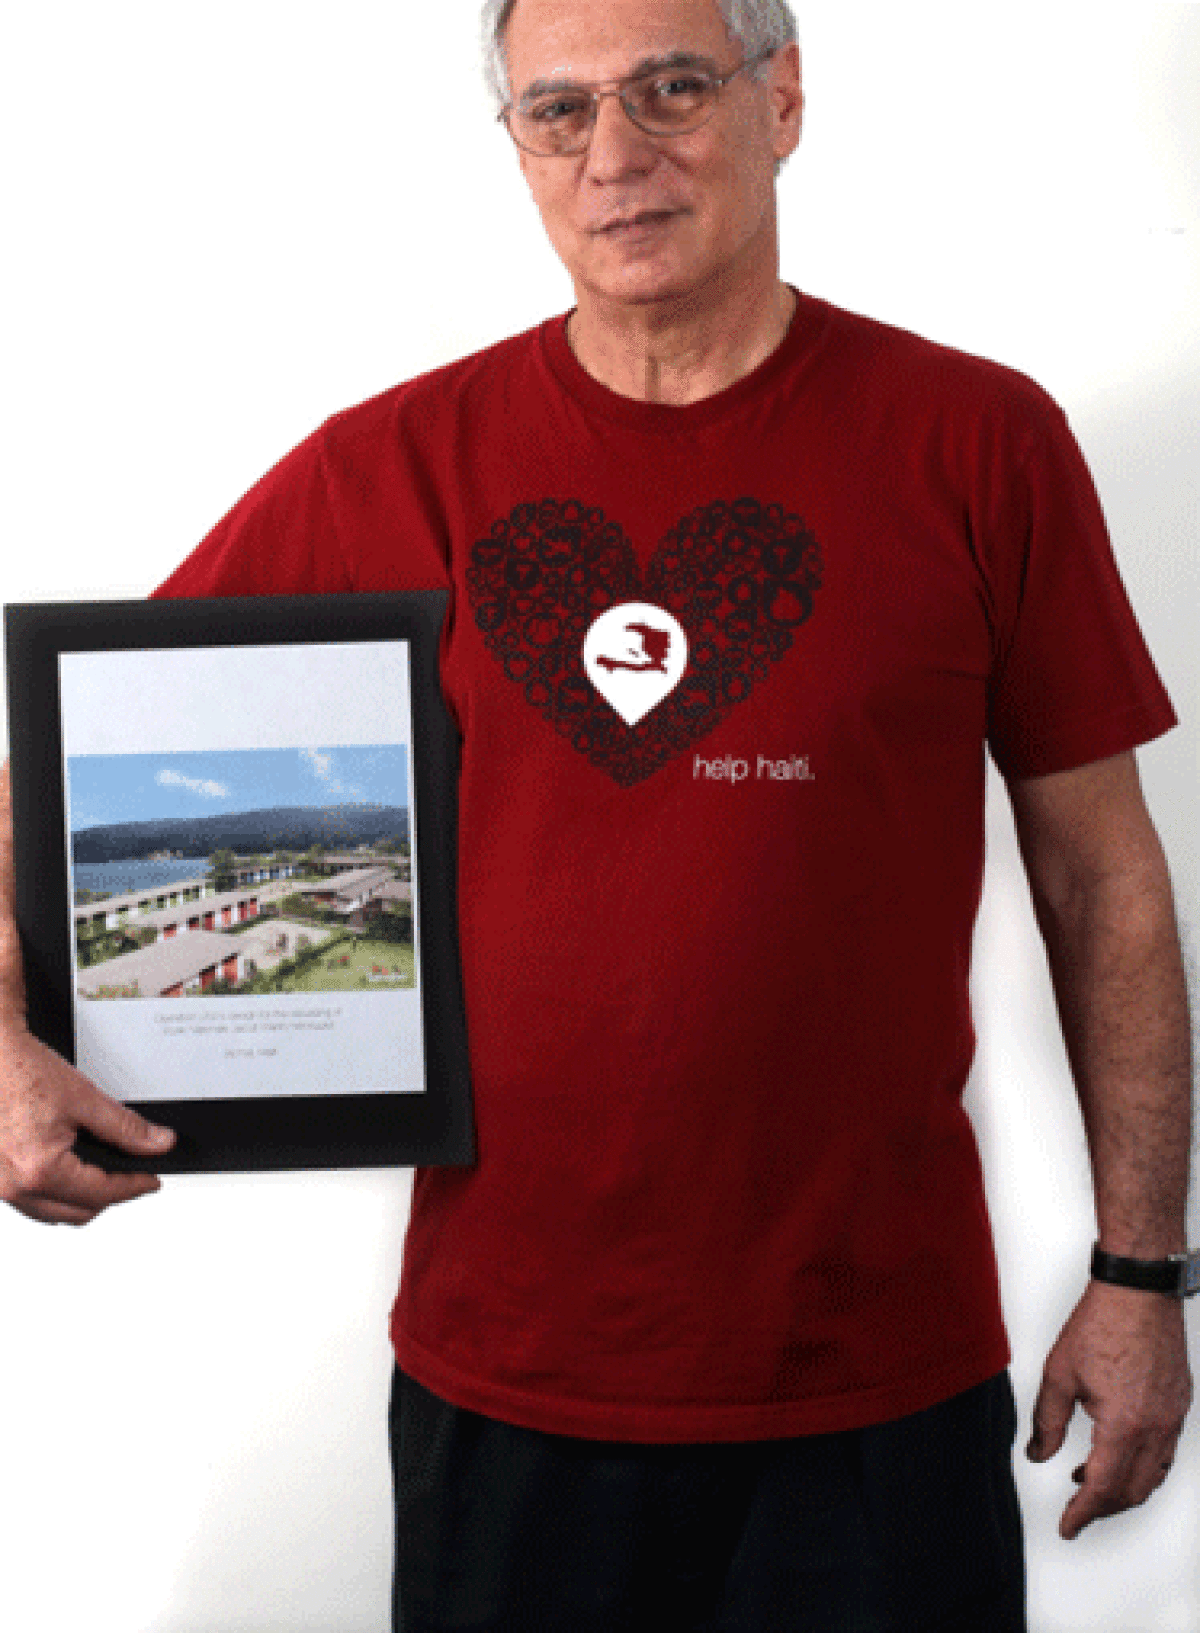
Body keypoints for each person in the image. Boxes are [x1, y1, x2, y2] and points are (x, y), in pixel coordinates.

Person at [0, 0, 1194, 1626]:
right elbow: (64, 790)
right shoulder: (388, 469)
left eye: (672, 88)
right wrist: (6, 1036)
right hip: (511, 1385)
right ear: (517, 151)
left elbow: (1105, 878)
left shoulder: (980, 444)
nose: (616, 155)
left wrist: (1142, 1275)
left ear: (784, 102)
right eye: (558, 113)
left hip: (877, 1378)